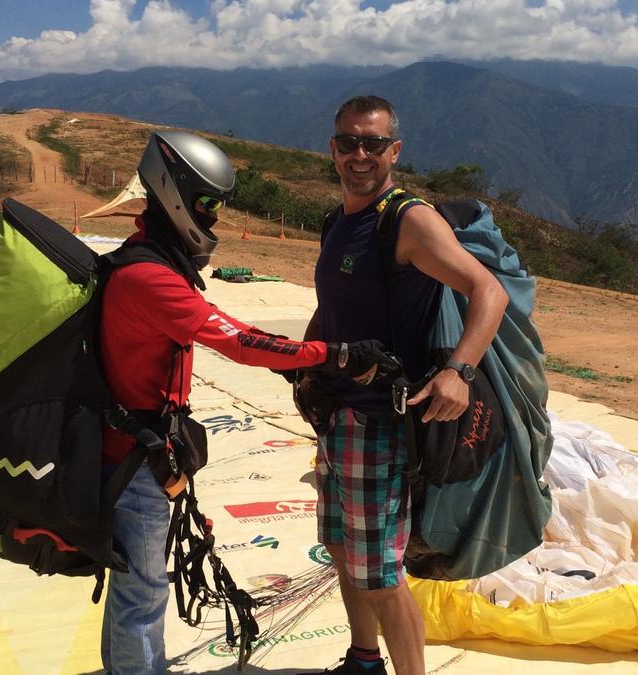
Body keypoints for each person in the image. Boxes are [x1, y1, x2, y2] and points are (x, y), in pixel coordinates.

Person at [98, 129, 399, 675]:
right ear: (174, 195)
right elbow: (238, 341)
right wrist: (334, 355)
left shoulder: (149, 260)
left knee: (137, 586)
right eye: (207, 205)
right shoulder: (148, 277)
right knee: (141, 594)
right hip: (131, 459)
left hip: (139, 448)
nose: (212, 219)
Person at [301, 96, 509, 675]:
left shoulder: (408, 219)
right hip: (336, 414)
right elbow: (338, 307)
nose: (359, 155)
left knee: (382, 575)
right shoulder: (337, 220)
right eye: (348, 142)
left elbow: (488, 291)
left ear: (395, 150)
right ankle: (364, 660)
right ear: (332, 149)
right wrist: (309, 358)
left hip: (380, 423)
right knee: (344, 553)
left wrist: (459, 371)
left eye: (373, 143)